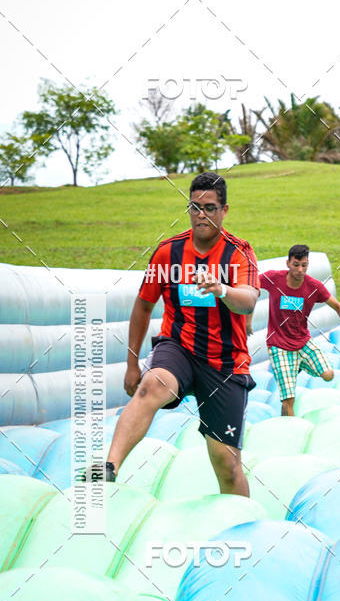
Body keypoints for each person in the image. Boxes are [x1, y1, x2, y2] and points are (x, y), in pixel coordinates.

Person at [86, 172, 260, 496]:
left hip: (225, 362)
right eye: (195, 207)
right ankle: (107, 467)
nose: (201, 215)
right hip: (178, 347)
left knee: (226, 463)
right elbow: (142, 307)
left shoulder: (239, 253)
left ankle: (242, 523)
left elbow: (248, 299)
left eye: (209, 207)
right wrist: (132, 364)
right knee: (151, 385)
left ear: (224, 210)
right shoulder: (169, 252)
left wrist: (222, 289)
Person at [246, 243, 340, 416]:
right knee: (288, 401)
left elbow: (338, 306)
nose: (300, 269)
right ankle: (289, 429)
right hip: (279, 346)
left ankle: (297, 366)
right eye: (296, 265)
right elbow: (251, 288)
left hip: (303, 342)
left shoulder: (313, 286)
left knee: (328, 374)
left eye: (304, 265)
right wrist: (248, 320)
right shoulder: (274, 278)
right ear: (288, 263)